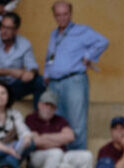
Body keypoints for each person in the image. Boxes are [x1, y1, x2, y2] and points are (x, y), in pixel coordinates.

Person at [42, 1, 109, 151]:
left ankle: (77, 162)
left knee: (76, 124)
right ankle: (62, 165)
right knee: (56, 124)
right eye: (58, 15)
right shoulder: (54, 34)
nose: (62, 18)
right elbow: (49, 57)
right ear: (54, 16)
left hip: (74, 81)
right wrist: (46, 75)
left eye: (65, 14)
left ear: (70, 14)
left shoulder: (82, 30)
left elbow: (103, 41)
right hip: (53, 84)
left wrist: (88, 56)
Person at [24, 89, 93, 168]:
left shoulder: (60, 120)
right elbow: (36, 141)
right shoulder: (30, 119)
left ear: (55, 108)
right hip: (37, 157)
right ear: (39, 104)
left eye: (51, 106)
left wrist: (44, 137)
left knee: (86, 156)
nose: (48, 108)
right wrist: (60, 139)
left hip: (60, 156)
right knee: (56, 153)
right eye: (46, 104)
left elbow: (70, 137)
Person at [0, 11, 45, 107]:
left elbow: (33, 66)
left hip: (13, 87)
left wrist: (31, 73)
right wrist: (11, 72)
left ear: (16, 30)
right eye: (2, 26)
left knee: (40, 81)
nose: (4, 31)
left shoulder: (24, 44)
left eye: (8, 28)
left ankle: (38, 119)